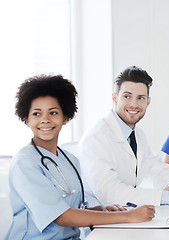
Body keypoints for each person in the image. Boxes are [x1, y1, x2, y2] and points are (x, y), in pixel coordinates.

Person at [6, 75, 155, 240]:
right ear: (26, 119)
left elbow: (74, 209)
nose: (45, 120)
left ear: (65, 118)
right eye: (36, 114)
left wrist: (100, 209)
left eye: (53, 112)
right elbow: (62, 216)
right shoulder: (25, 163)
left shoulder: (69, 159)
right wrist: (129, 216)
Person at [79, 66, 169, 207]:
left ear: (148, 102)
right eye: (127, 96)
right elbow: (110, 194)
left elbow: (156, 168)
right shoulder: (96, 137)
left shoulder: (137, 135)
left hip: (127, 214)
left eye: (140, 98)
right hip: (100, 222)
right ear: (114, 98)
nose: (134, 104)